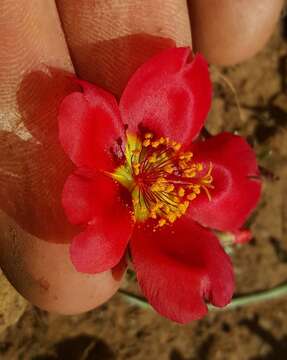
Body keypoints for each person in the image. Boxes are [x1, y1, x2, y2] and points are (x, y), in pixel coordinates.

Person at [0, 0, 284, 315]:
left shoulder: (168, 199)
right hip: (119, 158)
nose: (170, 179)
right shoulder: (121, 157)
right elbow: (100, 114)